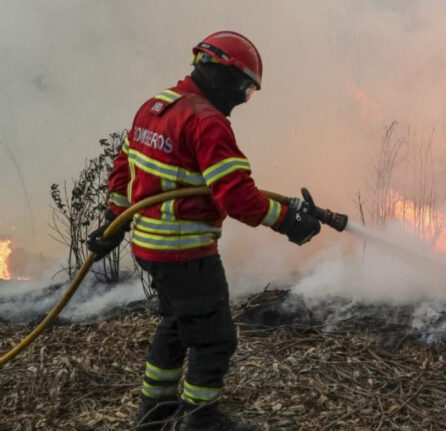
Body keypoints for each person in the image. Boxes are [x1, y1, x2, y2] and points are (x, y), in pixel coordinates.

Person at [87, 31, 321, 431]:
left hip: (150, 247)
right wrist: (288, 221)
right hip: (185, 252)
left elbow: (123, 168)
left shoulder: (156, 107)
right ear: (222, 74)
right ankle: (201, 419)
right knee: (215, 338)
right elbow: (237, 196)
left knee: (178, 322)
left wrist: (114, 219)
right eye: (245, 89)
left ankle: (155, 412)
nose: (242, 100)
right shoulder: (206, 122)